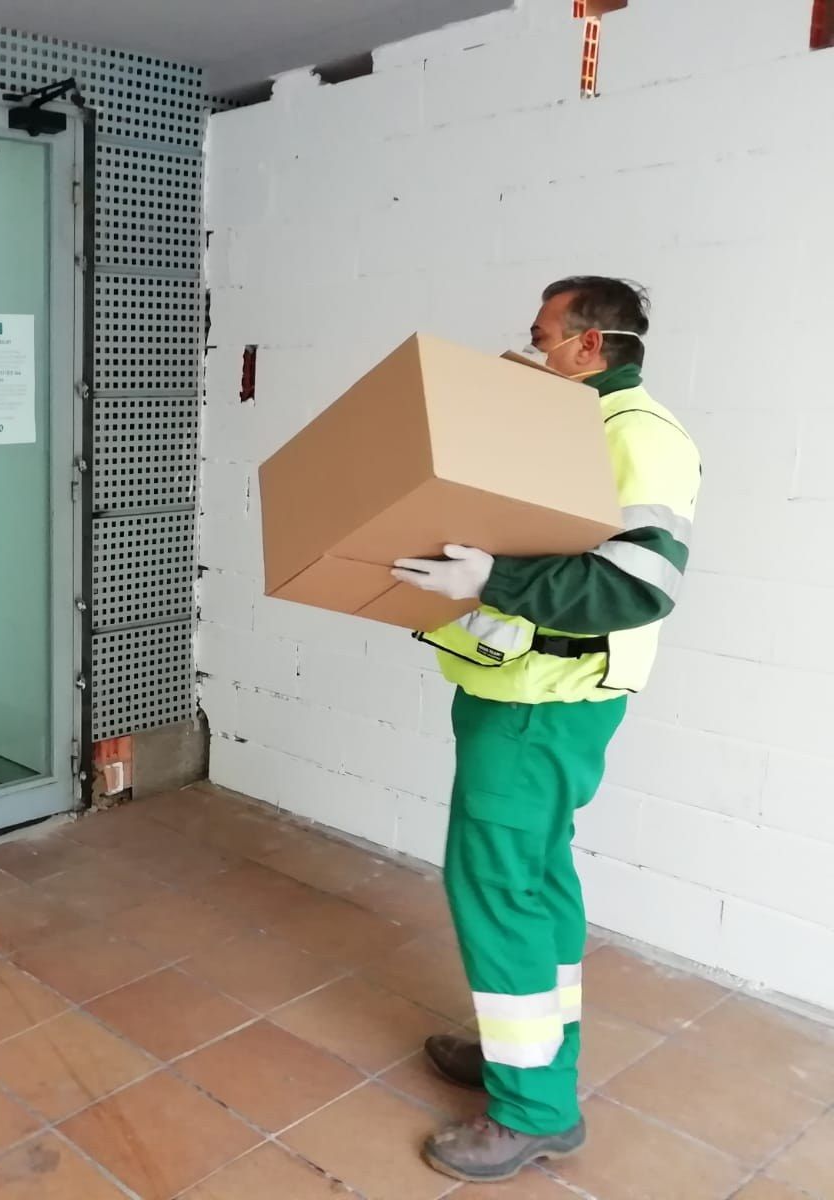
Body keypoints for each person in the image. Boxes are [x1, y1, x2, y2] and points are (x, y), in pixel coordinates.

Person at [390, 277, 702, 1184]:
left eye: (542, 335)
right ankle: (520, 1052)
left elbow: (638, 586)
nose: (530, 348)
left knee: (497, 886)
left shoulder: (638, 438)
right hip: (518, 688)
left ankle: (533, 1112)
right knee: (536, 878)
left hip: (546, 703)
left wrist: (494, 581)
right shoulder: (572, 427)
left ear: (590, 345)